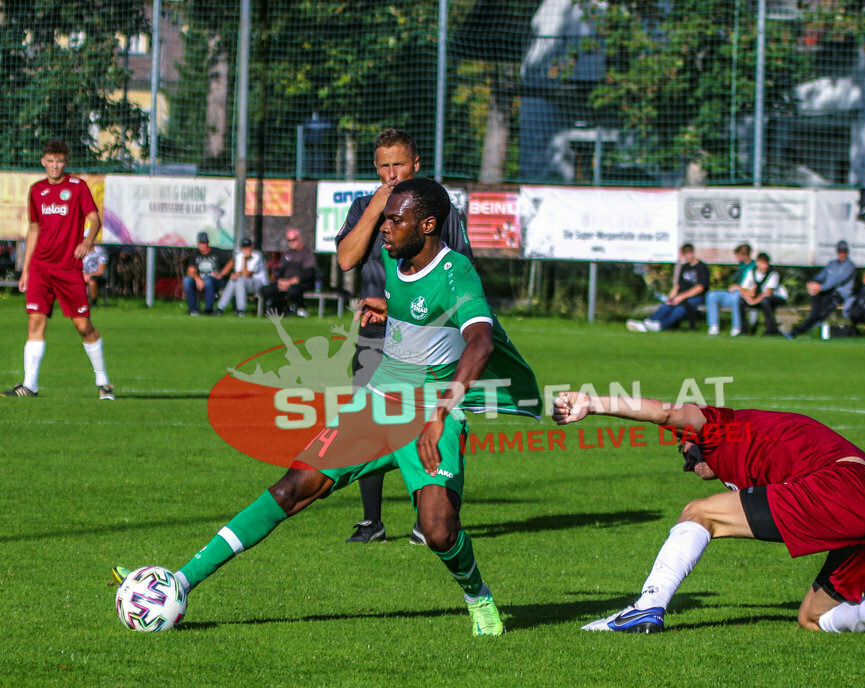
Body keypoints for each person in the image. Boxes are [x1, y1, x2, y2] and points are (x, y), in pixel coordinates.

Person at [115, 178, 542, 636]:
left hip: (430, 412)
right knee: (292, 489)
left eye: (395, 220)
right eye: (385, 219)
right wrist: (387, 309)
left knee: (437, 529)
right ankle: (180, 581)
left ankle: (478, 596)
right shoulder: (399, 263)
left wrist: (440, 413)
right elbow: (419, 312)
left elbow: (479, 341)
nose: (385, 228)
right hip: (377, 404)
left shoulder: (456, 272)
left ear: (428, 224)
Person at [552, 392, 865, 643]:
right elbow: (863, 509)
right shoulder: (754, 441)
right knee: (814, 618)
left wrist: (596, 403)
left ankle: (646, 607)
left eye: (686, 456)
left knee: (699, 513)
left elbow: (665, 412)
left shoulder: (718, 428)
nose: (688, 466)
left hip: (842, 486)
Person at [335, 128, 474, 545]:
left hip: (430, 336)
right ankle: (371, 521)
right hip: (376, 333)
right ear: (374, 169)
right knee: (369, 422)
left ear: (416, 164)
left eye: (398, 164)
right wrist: (377, 208)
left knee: (433, 423)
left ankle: (428, 518)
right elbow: (346, 259)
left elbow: (462, 271)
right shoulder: (365, 205)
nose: (391, 173)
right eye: (383, 166)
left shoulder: (438, 207)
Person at [2, 139, 114, 400]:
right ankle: (30, 386)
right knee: (35, 321)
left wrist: (88, 241)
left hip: (68, 269)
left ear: (66, 162)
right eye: (50, 161)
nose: (55, 166)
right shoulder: (37, 190)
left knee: (83, 326)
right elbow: (34, 228)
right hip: (41, 268)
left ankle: (104, 382)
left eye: (60, 161)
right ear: (43, 161)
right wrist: (27, 269)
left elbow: (94, 218)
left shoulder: (77, 188)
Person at [626, 244, 708, 332]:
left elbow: (700, 287)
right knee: (666, 306)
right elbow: (677, 286)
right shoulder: (685, 267)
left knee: (680, 309)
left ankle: (660, 326)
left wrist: (681, 297)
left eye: (689, 253)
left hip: (696, 297)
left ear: (693, 253)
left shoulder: (702, 267)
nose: (687, 256)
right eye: (685, 254)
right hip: (681, 297)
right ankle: (647, 322)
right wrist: (670, 297)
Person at [789, 240, 857, 338]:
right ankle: (803, 330)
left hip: (839, 294)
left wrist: (820, 288)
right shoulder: (832, 264)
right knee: (815, 309)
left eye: (844, 251)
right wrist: (812, 283)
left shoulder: (849, 266)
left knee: (821, 312)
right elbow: (821, 276)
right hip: (826, 292)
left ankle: (800, 331)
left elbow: (838, 281)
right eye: (840, 251)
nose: (842, 254)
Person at [259, 228, 316, 317]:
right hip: (285, 282)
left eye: (293, 240)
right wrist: (281, 281)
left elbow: (309, 273)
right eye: (289, 240)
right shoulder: (287, 254)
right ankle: (275, 309)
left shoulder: (307, 254)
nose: (291, 242)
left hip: (300, 283)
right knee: (266, 289)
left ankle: (297, 309)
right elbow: (280, 270)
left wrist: (291, 282)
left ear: (299, 238)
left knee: (293, 291)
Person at [704, 243, 754, 337]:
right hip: (734, 292)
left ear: (744, 255)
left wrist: (738, 288)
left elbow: (751, 286)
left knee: (736, 298)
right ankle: (713, 326)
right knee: (712, 295)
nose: (736, 258)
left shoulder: (753, 267)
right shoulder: (741, 266)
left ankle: (737, 327)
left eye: (738, 255)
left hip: (744, 294)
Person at [184, 232, 232, 316]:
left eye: (204, 243)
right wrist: (197, 278)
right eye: (201, 243)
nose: (203, 245)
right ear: (198, 243)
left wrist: (222, 274)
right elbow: (190, 270)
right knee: (187, 280)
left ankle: (208, 309)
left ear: (208, 243)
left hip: (216, 280)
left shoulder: (216, 252)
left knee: (208, 280)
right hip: (201, 281)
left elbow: (231, 262)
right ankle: (193, 309)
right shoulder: (196, 254)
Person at [216, 238, 268, 316]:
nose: (246, 249)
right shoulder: (239, 255)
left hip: (259, 282)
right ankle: (220, 308)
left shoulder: (257, 256)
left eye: (248, 247)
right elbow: (238, 273)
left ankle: (241, 309)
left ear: (251, 247)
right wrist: (235, 275)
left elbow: (245, 275)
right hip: (245, 282)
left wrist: (245, 259)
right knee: (233, 279)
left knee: (239, 280)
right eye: (244, 247)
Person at [739, 252, 788, 336]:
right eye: (763, 263)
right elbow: (743, 290)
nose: (765, 266)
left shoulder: (773, 273)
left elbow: (768, 293)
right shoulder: (751, 272)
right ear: (757, 263)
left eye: (766, 263)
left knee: (765, 301)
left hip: (777, 297)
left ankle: (770, 330)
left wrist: (753, 302)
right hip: (759, 299)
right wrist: (749, 298)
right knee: (741, 301)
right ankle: (744, 330)